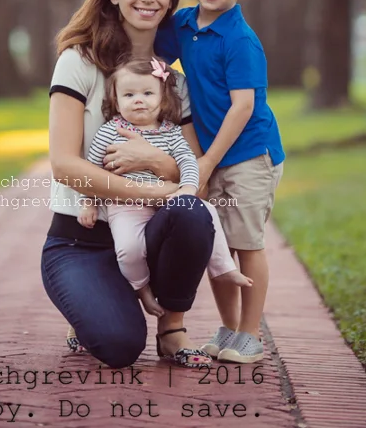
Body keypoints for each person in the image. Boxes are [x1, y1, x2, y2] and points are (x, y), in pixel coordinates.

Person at [41, 0, 216, 370]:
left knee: (191, 214)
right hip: (80, 240)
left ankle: (172, 328)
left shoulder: (174, 81)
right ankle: (89, 304)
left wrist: (154, 161)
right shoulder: (78, 61)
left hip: (146, 233)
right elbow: (64, 165)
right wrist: (157, 191)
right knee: (119, 346)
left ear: (172, 0)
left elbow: (197, 174)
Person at [155, 0, 285, 365]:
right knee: (218, 245)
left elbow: (243, 107)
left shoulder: (240, 40)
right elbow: (153, 61)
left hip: (248, 155)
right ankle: (229, 327)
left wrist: (206, 162)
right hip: (211, 154)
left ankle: (251, 334)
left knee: (246, 244)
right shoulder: (182, 24)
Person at [78, 56, 252, 318]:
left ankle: (223, 267)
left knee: (207, 211)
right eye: (129, 95)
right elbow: (92, 168)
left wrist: (188, 188)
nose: (139, 100)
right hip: (126, 206)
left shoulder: (170, 132)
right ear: (116, 100)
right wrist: (88, 202)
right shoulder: (109, 132)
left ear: (163, 98)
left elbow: (188, 161)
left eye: (147, 93)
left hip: (165, 203)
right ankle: (142, 287)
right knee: (128, 249)